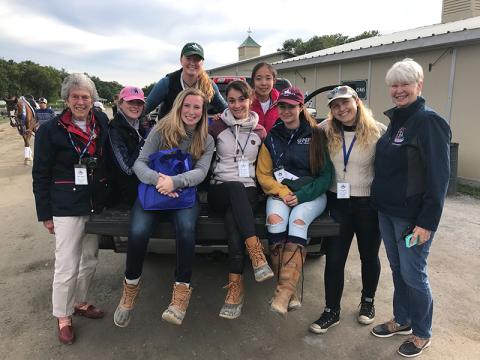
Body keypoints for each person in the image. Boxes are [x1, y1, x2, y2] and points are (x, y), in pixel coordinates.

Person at [113, 88, 214, 327]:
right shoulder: (160, 130)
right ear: (179, 106)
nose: (191, 111)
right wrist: (160, 181)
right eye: (187, 106)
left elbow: (201, 172)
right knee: (137, 232)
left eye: (196, 107)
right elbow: (140, 163)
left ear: (203, 111)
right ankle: (130, 288)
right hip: (154, 193)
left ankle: (180, 294)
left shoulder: (206, 139)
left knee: (187, 231)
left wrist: (175, 182)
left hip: (184, 195)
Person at [370, 58, 451, 358]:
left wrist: (426, 223)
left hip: (412, 218)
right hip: (387, 213)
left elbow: (439, 177)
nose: (399, 90)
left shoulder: (429, 122)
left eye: (405, 83)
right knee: (398, 269)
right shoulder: (397, 121)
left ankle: (422, 332)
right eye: (394, 85)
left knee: (414, 273)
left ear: (419, 85)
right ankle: (402, 318)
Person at [32, 73, 110, 345]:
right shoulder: (49, 130)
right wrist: (45, 213)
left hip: (93, 202)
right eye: (75, 97)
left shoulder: (100, 121)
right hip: (65, 204)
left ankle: (80, 302)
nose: (80, 101)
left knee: (89, 259)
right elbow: (40, 174)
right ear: (66, 99)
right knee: (66, 264)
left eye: (85, 97)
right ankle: (63, 316)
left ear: (92, 100)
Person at [308, 86, 386, 334]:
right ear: (331, 110)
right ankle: (332, 310)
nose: (342, 109)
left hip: (368, 205)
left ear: (357, 101)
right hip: (337, 203)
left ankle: (368, 302)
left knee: (369, 256)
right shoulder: (324, 130)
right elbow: (299, 129)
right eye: (335, 106)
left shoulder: (378, 131)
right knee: (335, 258)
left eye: (345, 103)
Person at [256, 86, 333, 316]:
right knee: (275, 220)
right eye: (282, 106)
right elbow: (263, 174)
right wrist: (282, 192)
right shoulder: (272, 136)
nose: (286, 110)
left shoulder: (316, 135)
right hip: (281, 192)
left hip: (310, 194)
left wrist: (301, 196)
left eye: (291, 106)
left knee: (298, 221)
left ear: (301, 107)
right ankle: (289, 292)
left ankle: (281, 294)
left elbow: (326, 176)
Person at [208, 80, 274, 320]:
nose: (236, 105)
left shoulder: (260, 131)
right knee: (234, 187)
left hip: (247, 191)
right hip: (219, 189)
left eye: (241, 99)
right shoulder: (216, 126)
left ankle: (235, 287)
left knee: (234, 226)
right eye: (232, 100)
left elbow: (265, 166)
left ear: (251, 99)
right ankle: (256, 253)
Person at [144, 42, 227, 119]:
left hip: (196, 133)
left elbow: (226, 110)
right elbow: (145, 108)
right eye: (188, 58)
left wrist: (221, 119)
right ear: (181, 60)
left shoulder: (209, 85)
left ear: (202, 63)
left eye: (197, 59)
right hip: (168, 132)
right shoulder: (167, 83)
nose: (192, 62)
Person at [107, 86, 149, 208]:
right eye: (130, 102)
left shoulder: (141, 126)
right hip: (124, 199)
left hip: (144, 191)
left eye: (139, 103)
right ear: (120, 104)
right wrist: (144, 143)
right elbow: (127, 169)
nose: (135, 106)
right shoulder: (114, 129)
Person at [250, 62, 280, 133]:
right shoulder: (245, 102)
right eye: (258, 79)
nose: (263, 83)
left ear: (274, 81)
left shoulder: (283, 102)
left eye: (268, 78)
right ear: (253, 81)